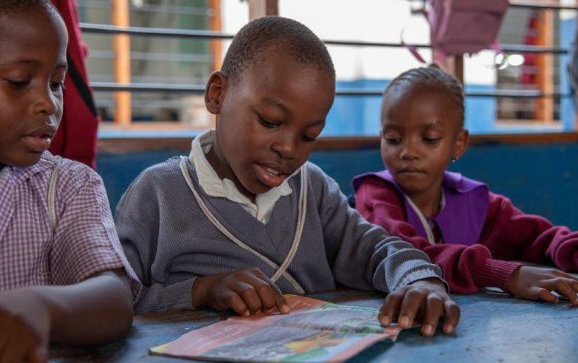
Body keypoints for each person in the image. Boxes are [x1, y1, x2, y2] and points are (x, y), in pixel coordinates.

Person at [116, 16, 459, 337]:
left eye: (308, 136)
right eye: (270, 121)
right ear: (218, 94)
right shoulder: (159, 192)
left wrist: (420, 280)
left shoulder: (313, 189)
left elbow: (376, 249)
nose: (288, 148)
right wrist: (200, 291)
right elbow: (116, 300)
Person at [352, 65, 578, 306]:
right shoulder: (376, 195)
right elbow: (408, 255)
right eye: (392, 138)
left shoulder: (471, 199)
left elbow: (539, 236)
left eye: (429, 139)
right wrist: (508, 275)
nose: (408, 151)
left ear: (459, 144)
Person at [0, 1, 140, 361]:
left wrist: (43, 306)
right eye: (19, 82)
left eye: (56, 83)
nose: (48, 104)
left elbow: (114, 299)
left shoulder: (67, 187)